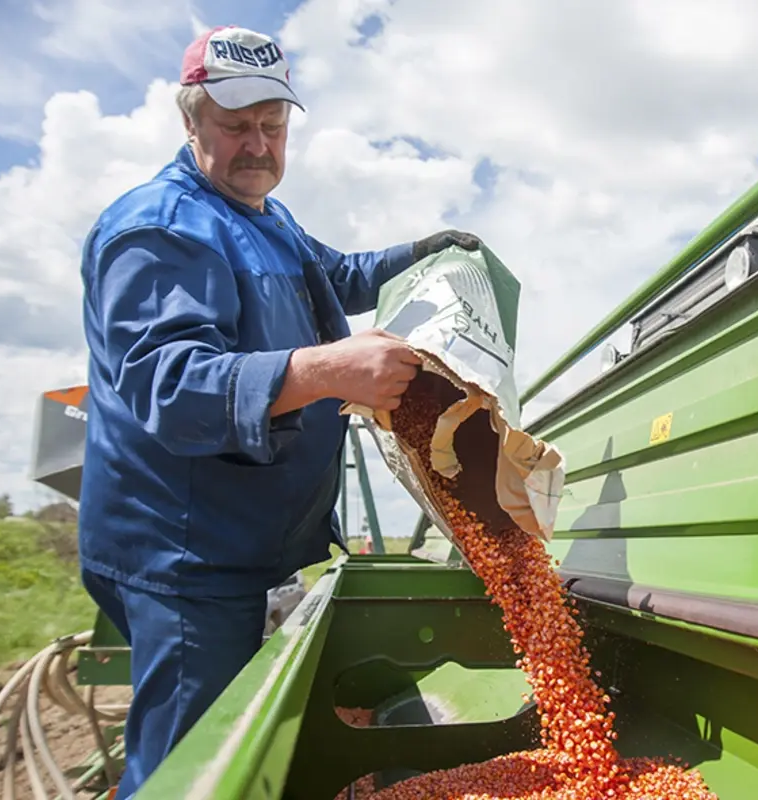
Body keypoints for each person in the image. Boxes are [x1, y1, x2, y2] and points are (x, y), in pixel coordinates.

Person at [76, 24, 480, 798]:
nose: (257, 144)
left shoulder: (265, 214)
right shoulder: (159, 228)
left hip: (245, 543)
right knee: (190, 765)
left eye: (273, 125)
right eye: (235, 126)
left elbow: (334, 274)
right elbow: (171, 385)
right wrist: (332, 369)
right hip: (184, 556)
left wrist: (421, 252)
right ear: (190, 121)